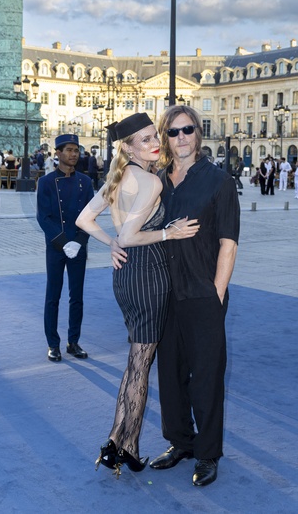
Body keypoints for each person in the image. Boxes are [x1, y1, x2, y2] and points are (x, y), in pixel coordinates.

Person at [76, 112, 199, 476]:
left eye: (154, 135)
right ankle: (125, 445)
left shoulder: (118, 177)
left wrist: (111, 242)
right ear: (129, 148)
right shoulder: (149, 181)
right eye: (145, 139)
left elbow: (84, 220)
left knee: (135, 363)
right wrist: (168, 233)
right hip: (148, 275)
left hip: (126, 275)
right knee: (140, 366)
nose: (155, 143)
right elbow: (131, 236)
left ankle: (117, 443)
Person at [146, 106, 240, 488]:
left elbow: (228, 244)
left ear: (198, 133)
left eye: (187, 129)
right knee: (169, 375)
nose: (181, 137)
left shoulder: (219, 181)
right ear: (165, 138)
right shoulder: (157, 182)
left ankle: (207, 453)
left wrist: (216, 295)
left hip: (203, 294)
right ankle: (181, 442)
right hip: (164, 293)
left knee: (206, 378)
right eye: (173, 132)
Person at [37, 134, 94, 363]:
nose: (74, 154)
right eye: (69, 150)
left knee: (76, 296)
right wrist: (63, 242)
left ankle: (73, 341)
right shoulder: (46, 182)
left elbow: (90, 215)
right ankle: (53, 344)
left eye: (76, 150)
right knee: (53, 295)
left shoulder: (85, 182)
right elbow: (43, 217)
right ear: (58, 153)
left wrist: (79, 241)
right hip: (56, 246)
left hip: (78, 246)